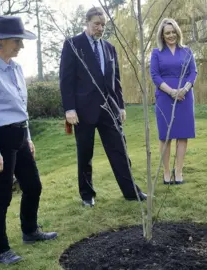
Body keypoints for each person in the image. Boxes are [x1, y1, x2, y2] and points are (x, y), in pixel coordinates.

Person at [0, 16, 57, 265]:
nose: (21, 46)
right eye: (16, 41)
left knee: (33, 186)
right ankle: (0, 250)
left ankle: (30, 232)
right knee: (1, 197)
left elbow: (22, 107)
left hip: (19, 135)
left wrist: (28, 137)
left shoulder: (17, 68)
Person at [59, 6, 146, 206]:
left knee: (119, 150)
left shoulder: (110, 48)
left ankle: (131, 191)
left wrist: (121, 106)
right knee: (85, 154)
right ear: (87, 23)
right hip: (83, 110)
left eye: (103, 25)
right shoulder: (73, 45)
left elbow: (116, 81)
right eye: (96, 24)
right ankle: (87, 195)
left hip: (110, 108)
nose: (100, 28)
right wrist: (69, 109)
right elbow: (66, 79)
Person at [149, 18, 197, 185]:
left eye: (173, 32)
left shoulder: (187, 51)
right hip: (164, 97)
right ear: (162, 35)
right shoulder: (156, 53)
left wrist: (184, 89)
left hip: (185, 96)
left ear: (178, 32)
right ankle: (167, 171)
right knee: (166, 136)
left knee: (183, 135)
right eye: (167, 33)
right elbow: (154, 75)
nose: (171, 35)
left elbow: (193, 72)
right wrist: (171, 92)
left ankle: (179, 171)